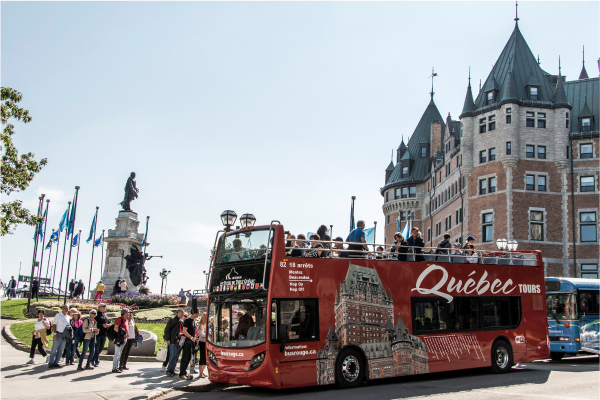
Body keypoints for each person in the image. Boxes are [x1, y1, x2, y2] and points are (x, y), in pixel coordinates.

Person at [179, 308, 199, 380]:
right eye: (198, 313)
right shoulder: (187, 321)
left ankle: (184, 372)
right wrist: (191, 337)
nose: (198, 314)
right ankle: (181, 374)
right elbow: (184, 331)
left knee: (188, 358)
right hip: (187, 342)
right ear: (194, 313)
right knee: (184, 358)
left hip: (192, 342)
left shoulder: (193, 321)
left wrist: (195, 336)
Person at [164, 309, 184, 377]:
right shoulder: (172, 320)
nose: (183, 314)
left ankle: (172, 370)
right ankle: (169, 370)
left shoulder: (181, 321)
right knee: (172, 356)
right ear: (178, 312)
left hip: (178, 341)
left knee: (175, 356)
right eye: (182, 313)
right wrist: (167, 339)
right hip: (172, 341)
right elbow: (167, 330)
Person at [91, 303, 110, 367]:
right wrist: (102, 325)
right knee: (97, 347)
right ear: (99, 307)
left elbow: (108, 321)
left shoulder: (105, 315)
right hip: (98, 334)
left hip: (104, 333)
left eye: (105, 306)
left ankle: (93, 358)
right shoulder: (97, 315)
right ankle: (96, 360)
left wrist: (108, 325)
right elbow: (94, 324)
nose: (105, 307)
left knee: (101, 347)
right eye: (103, 306)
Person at [112, 309, 129, 373]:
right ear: (124, 313)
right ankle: (114, 368)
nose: (129, 313)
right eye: (128, 312)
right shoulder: (120, 319)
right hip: (119, 339)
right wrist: (123, 334)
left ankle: (117, 367)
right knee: (117, 353)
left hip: (124, 339)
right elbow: (115, 328)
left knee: (119, 353)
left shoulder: (126, 320)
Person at [197, 313, 208, 379]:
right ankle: (200, 373)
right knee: (202, 357)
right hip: (202, 342)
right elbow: (201, 334)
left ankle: (202, 371)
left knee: (206, 358)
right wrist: (208, 334)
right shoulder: (201, 325)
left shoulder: (206, 325)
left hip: (206, 342)